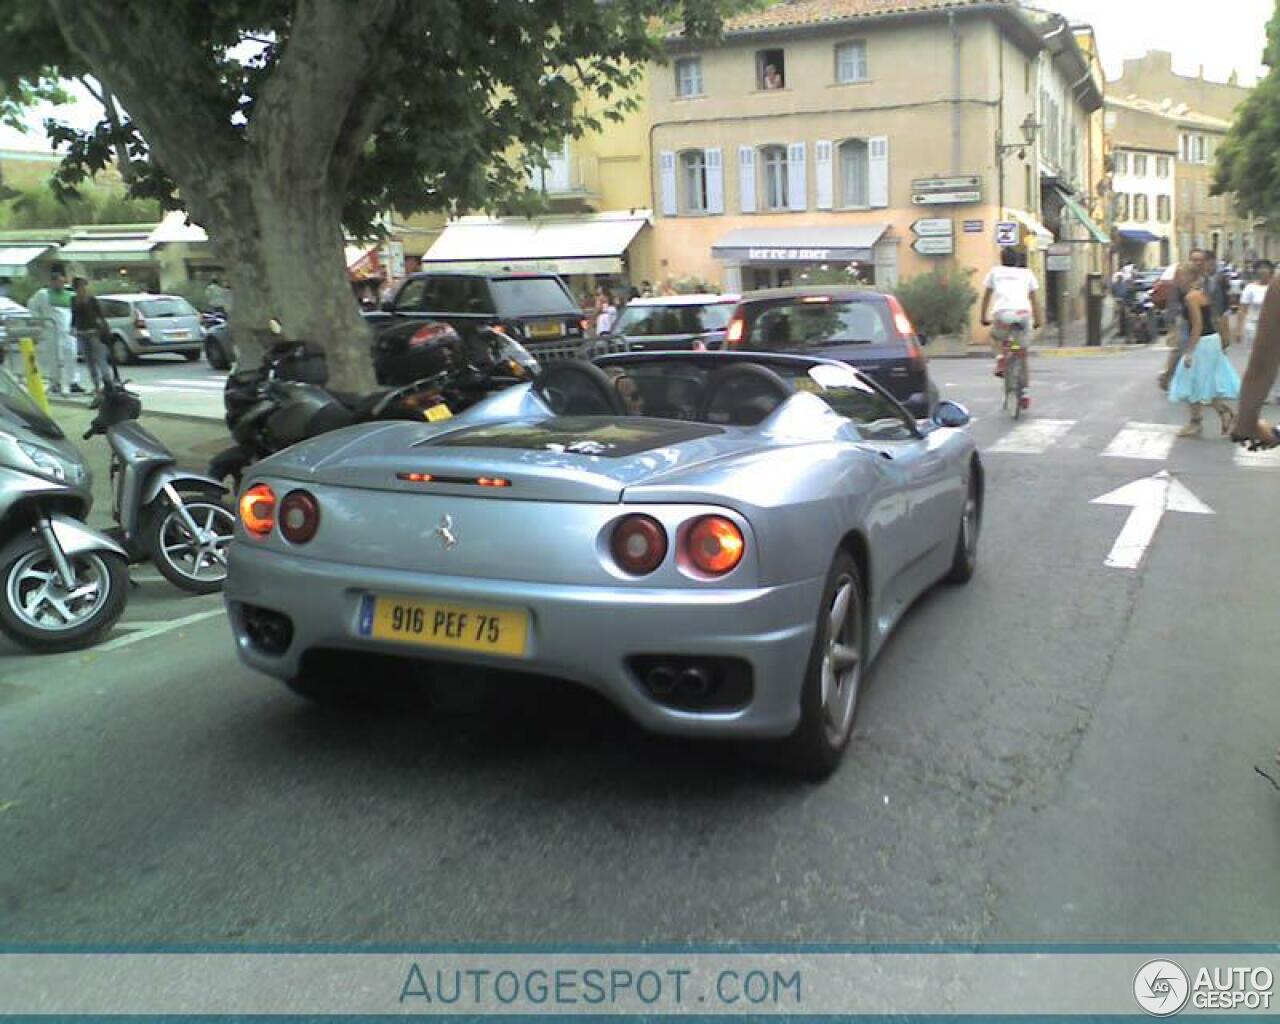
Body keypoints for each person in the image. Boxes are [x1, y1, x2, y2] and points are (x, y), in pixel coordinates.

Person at [1167, 262, 1238, 438]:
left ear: (1189, 277)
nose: (1176, 279)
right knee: (1202, 382)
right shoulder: (1200, 293)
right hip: (1210, 340)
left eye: (1179, 275)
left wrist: (1190, 350)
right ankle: (1220, 413)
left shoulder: (1191, 297)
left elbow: (1197, 325)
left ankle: (1197, 422)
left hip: (1203, 342)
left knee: (1192, 381)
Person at [979, 247, 1043, 404]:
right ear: (1017, 261)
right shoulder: (1027, 273)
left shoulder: (995, 272)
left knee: (995, 337)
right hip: (1023, 314)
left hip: (1003, 313)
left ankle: (1001, 358)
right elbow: (1034, 298)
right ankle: (1026, 395)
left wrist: (983, 317)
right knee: (1022, 353)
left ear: (1002, 259)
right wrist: (1038, 320)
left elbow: (986, 296)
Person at [26, 266, 83, 396]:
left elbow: (76, 312)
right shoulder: (43, 294)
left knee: (71, 355)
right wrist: (39, 321)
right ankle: (55, 383)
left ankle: (72, 382)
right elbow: (32, 305)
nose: (61, 284)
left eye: (62, 282)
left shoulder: (70, 295)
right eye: (58, 282)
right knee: (55, 358)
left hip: (68, 331)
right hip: (52, 331)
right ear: (52, 282)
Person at [70, 277, 113, 402]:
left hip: (94, 333)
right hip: (81, 333)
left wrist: (102, 329)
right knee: (89, 362)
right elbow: (74, 316)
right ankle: (97, 387)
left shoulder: (92, 300)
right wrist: (72, 327)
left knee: (100, 360)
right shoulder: (73, 300)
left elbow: (100, 316)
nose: (83, 289)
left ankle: (108, 385)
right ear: (76, 289)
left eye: (85, 286)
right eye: (81, 287)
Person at [1237, 260, 1273, 348]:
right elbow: (1242, 309)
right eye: (1260, 268)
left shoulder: (1275, 288)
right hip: (1253, 325)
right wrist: (1239, 329)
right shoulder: (1250, 288)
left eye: (1265, 268)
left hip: (1272, 325)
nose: (1263, 271)